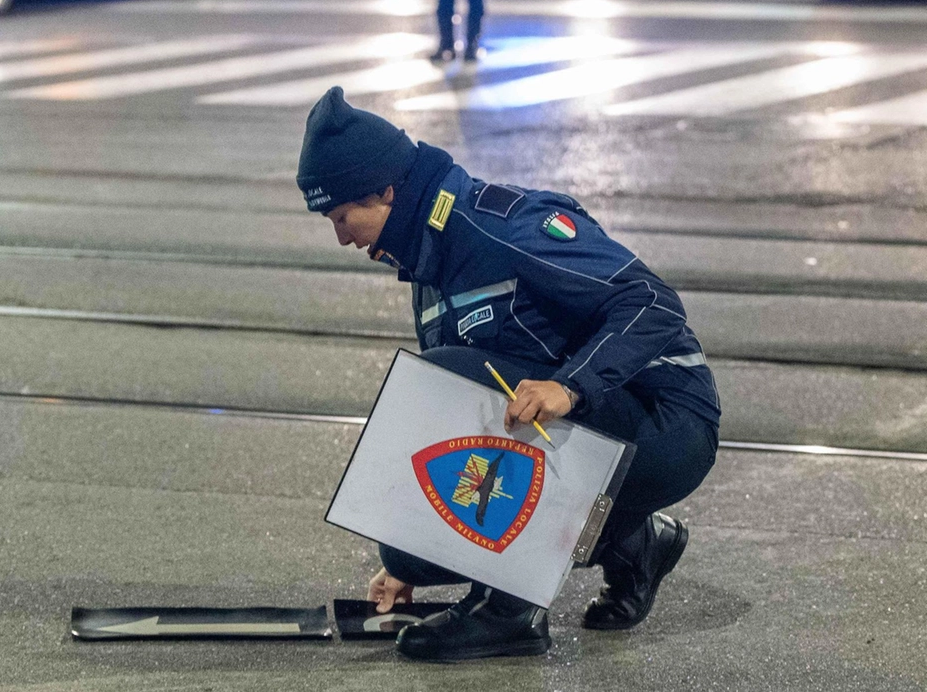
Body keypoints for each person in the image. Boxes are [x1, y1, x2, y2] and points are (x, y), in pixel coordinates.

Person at [296, 87, 721, 661]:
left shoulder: (499, 224)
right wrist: (404, 564)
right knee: (410, 546)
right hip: (601, 429)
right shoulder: (427, 261)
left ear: (387, 192)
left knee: (449, 378)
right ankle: (634, 543)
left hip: (666, 420)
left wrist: (570, 386)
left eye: (344, 217)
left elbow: (653, 303)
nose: (343, 238)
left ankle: (508, 609)